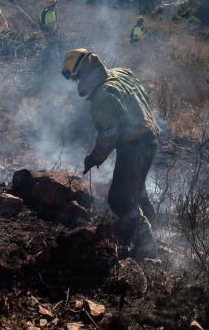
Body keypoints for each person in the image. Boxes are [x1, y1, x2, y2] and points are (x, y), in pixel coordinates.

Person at [62, 48, 158, 259]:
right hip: (150, 138)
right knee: (137, 186)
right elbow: (142, 96)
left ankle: (146, 243)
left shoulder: (102, 96)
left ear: (84, 71)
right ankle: (152, 220)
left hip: (134, 146)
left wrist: (94, 158)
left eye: (76, 77)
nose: (76, 82)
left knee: (120, 199)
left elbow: (108, 136)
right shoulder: (122, 73)